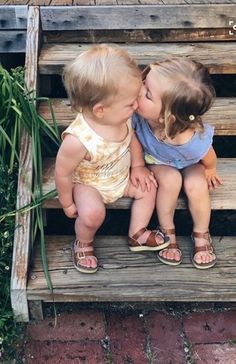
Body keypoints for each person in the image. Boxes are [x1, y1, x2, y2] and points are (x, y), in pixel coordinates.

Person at [55, 45, 169, 274]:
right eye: (130, 103)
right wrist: (67, 202)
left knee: (148, 187)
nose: (136, 106)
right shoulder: (78, 140)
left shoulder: (121, 116)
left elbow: (133, 139)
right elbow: (63, 173)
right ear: (100, 110)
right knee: (93, 214)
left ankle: (137, 233)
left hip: (120, 177)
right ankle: (83, 242)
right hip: (89, 185)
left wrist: (138, 166)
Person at [131, 57, 223, 269]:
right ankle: (167, 230)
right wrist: (138, 165)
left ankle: (201, 232)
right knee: (170, 180)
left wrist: (210, 169)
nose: (138, 90)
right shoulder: (139, 114)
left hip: (189, 162)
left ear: (167, 117)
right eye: (144, 81)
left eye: (147, 94)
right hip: (157, 161)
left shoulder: (191, 141)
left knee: (196, 185)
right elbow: (132, 138)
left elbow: (207, 154)